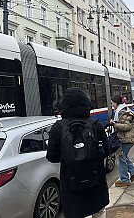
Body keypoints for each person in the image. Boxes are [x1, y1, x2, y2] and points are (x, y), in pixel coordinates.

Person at [46, 87, 110, 218]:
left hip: (71, 184)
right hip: (96, 180)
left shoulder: (58, 128)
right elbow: (107, 151)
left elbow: (52, 157)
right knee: (99, 211)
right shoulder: (96, 125)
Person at [109, 94, 134, 187]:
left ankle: (124, 179)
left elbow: (127, 126)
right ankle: (133, 173)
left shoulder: (122, 112)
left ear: (116, 103)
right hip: (126, 138)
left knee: (120, 158)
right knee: (123, 157)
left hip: (127, 138)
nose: (112, 106)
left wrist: (114, 124)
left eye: (112, 103)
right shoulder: (122, 110)